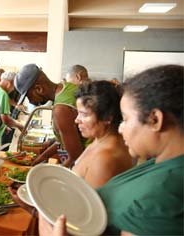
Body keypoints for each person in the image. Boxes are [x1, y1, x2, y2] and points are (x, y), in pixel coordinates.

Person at [40, 65, 184, 235]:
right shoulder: (160, 163)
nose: (121, 128)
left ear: (155, 119)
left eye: (126, 119)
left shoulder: (164, 194)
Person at [15, 64, 85, 167]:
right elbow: (63, 139)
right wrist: (42, 157)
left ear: (39, 89)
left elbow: (75, 156)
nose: (30, 101)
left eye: (29, 96)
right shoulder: (67, 87)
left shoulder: (60, 109)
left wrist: (53, 173)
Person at [72, 80, 132, 188]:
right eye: (78, 113)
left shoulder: (105, 159)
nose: (77, 120)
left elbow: (89, 204)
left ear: (107, 117)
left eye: (84, 114)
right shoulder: (99, 140)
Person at [0, 71, 23, 147]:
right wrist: (20, 126)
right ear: (9, 83)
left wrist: (4, 126)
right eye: (13, 87)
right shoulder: (3, 94)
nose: (12, 90)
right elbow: (5, 119)